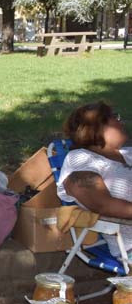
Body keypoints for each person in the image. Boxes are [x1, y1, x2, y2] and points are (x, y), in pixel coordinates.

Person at [57, 101, 132, 259]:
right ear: (96, 127)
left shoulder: (128, 154)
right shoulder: (81, 160)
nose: (121, 121)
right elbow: (102, 204)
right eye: (115, 117)